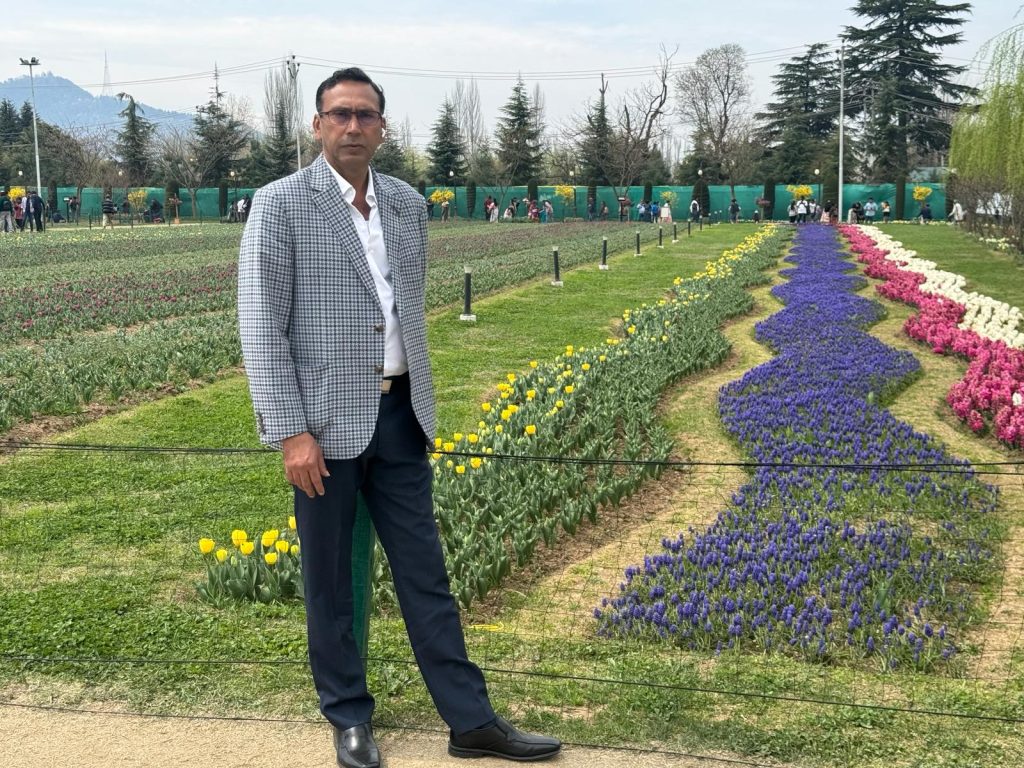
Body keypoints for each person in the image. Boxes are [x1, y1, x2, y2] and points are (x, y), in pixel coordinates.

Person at [237, 67, 560, 768]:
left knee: (427, 575)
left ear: (383, 127)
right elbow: (261, 326)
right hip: (321, 429)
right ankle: (348, 716)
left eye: (366, 115)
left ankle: (470, 721)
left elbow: (401, 313)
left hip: (401, 417)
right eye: (340, 114)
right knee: (328, 581)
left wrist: (419, 406)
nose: (353, 126)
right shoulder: (281, 203)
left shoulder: (410, 205)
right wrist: (289, 429)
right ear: (318, 124)